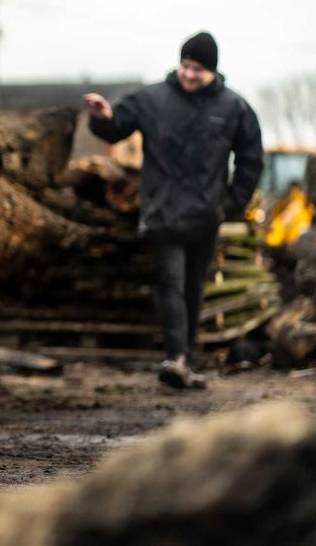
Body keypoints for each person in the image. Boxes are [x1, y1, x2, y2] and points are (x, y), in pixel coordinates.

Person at [83, 32, 263, 389]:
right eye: (185, 65)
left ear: (212, 70)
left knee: (194, 288)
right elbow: (117, 124)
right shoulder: (153, 98)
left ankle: (185, 359)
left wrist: (230, 204)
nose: (189, 74)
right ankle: (177, 357)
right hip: (163, 211)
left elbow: (251, 159)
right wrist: (103, 118)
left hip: (204, 216)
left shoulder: (233, 108)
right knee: (171, 284)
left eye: (197, 69)